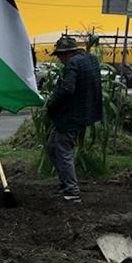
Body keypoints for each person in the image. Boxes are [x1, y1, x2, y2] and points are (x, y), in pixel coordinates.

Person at [44, 36, 103, 203]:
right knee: (51, 146)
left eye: (60, 56)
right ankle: (65, 184)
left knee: (63, 151)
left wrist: (52, 103)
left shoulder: (72, 64)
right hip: (86, 112)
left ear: (66, 53)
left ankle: (72, 191)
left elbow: (68, 88)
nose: (60, 60)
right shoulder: (91, 59)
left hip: (70, 115)